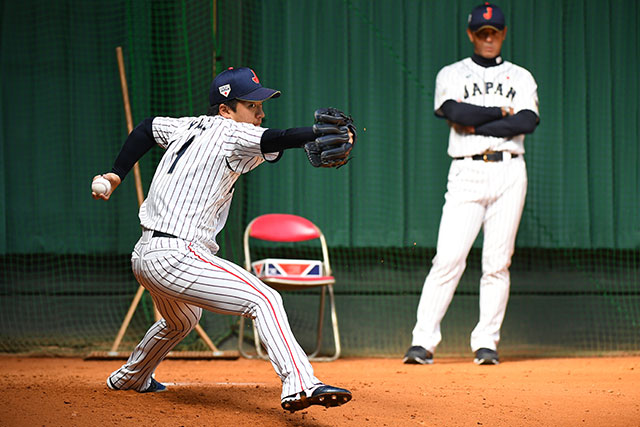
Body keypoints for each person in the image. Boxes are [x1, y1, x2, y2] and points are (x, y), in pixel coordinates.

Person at [91, 67, 353, 412]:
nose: (260, 112)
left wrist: (116, 173)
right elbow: (279, 137)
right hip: (177, 254)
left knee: (182, 320)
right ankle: (300, 385)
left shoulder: (186, 125)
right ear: (225, 109)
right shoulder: (231, 132)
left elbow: (146, 128)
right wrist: (313, 134)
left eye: (261, 104)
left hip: (146, 255)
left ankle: (131, 376)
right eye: (251, 105)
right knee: (265, 298)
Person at [403, 3, 539, 366]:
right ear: (471, 35)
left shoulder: (521, 76)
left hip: (510, 171)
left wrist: (476, 123)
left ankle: (486, 343)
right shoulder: (452, 73)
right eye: (482, 32)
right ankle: (423, 341)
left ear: (504, 33)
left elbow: (526, 122)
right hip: (465, 171)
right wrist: (499, 114)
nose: (489, 37)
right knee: (448, 257)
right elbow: (455, 113)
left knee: (497, 263)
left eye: (494, 31)